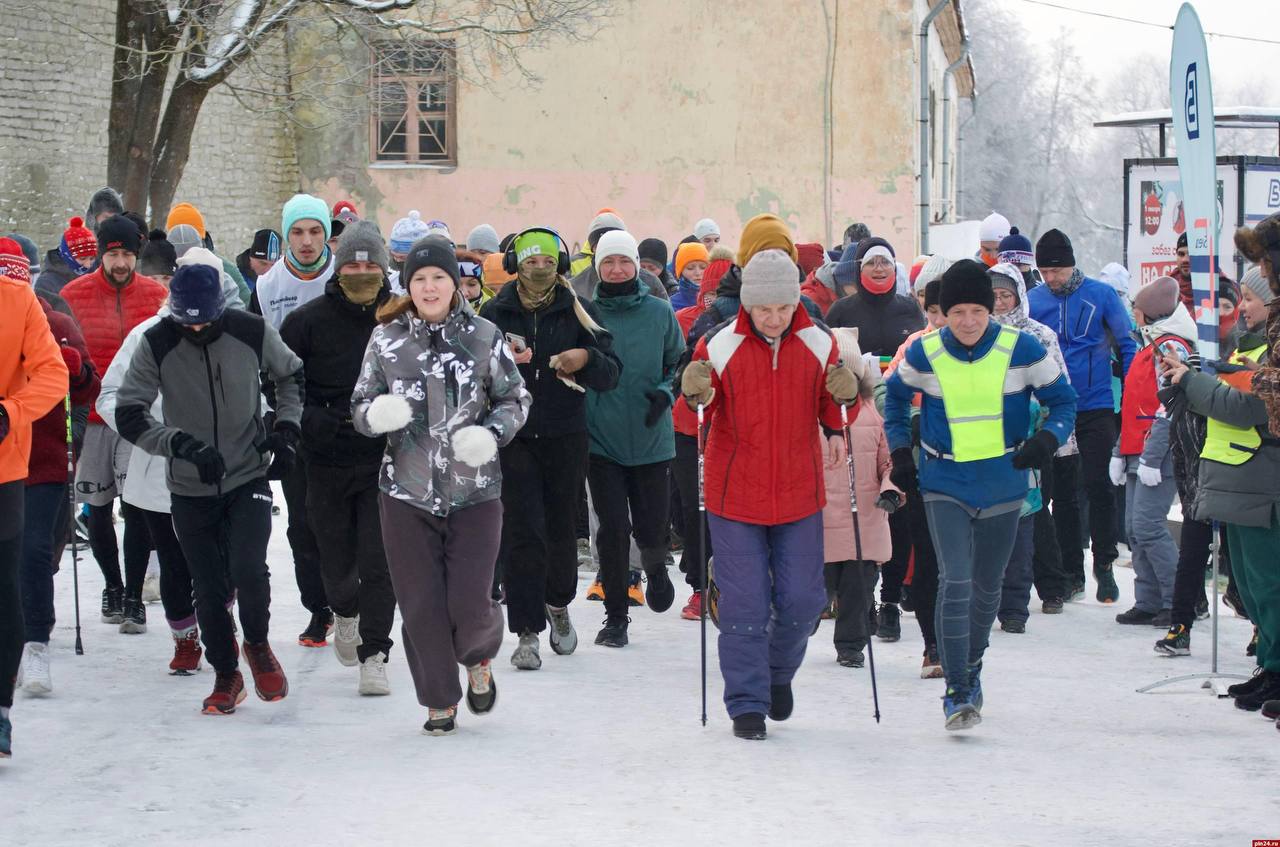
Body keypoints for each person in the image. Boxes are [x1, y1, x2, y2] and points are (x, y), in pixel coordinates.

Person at [885, 260, 1076, 730]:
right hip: (943, 482)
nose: (968, 321)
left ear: (991, 309)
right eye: (957, 312)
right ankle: (957, 689)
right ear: (942, 313)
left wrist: (1047, 440)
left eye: (977, 310)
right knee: (955, 580)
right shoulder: (925, 352)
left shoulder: (1021, 348)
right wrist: (900, 451)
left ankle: (970, 667)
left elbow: (1064, 400)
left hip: (1004, 481)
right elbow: (892, 397)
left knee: (988, 587)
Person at [680, 247, 861, 740]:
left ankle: (777, 674)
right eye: (764, 309)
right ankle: (746, 704)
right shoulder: (719, 347)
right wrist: (693, 394)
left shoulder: (819, 344)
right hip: (734, 495)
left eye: (783, 308)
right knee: (746, 605)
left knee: (805, 601)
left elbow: (837, 416)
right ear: (748, 305)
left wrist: (847, 396)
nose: (775, 318)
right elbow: (688, 422)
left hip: (799, 493)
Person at [351, 234, 528, 735]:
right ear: (408, 286)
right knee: (421, 604)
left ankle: (477, 658)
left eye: (440, 278)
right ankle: (438, 699)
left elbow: (515, 399)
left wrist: (490, 434)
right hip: (406, 493)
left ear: (456, 284)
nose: (430, 287)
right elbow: (360, 405)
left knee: (470, 604)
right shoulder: (386, 339)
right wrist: (375, 416)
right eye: (420, 279)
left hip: (475, 491)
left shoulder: (484, 335)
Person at [115, 263, 302, 715]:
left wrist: (286, 426)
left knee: (249, 570)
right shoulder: (157, 341)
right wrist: (175, 443)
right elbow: (129, 412)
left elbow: (291, 376)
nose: (196, 326)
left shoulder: (249, 330)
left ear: (221, 308)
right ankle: (225, 673)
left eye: (205, 318)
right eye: (187, 319)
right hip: (189, 482)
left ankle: (256, 645)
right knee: (208, 585)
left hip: (247, 472)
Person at [95, 254, 244, 672]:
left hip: (221, 474)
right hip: (160, 476)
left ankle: (219, 621)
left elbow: (262, 395)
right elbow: (111, 397)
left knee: (221, 560)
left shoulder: (237, 337)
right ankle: (185, 639)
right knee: (175, 565)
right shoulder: (147, 336)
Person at [479, 229, 619, 667]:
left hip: (565, 435)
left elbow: (611, 372)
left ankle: (557, 604)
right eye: (529, 263)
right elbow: (470, 372)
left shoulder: (580, 309)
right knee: (523, 530)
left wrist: (586, 359)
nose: (538, 271)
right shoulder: (494, 311)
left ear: (558, 264)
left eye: (546, 263)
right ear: (515, 266)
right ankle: (526, 632)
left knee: (561, 529)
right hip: (514, 436)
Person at [1158, 216, 1280, 716]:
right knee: (1253, 584)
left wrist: (1200, 382)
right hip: (1244, 473)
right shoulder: (1259, 333)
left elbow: (1259, 403)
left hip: (1262, 469)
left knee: (1267, 584)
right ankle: (1271, 669)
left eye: (1264, 267)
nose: (1261, 278)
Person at [281, 221, 399, 694]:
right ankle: (343, 612)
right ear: (338, 266)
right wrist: (311, 418)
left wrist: (398, 414)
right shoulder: (306, 322)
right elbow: (281, 383)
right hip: (324, 460)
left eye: (371, 264)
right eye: (353, 263)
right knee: (334, 557)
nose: (362, 271)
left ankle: (376, 652)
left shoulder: (400, 320)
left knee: (379, 558)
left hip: (382, 460)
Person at [59, 215, 167, 631]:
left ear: (136, 254)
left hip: (137, 414)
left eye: (126, 254)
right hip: (90, 414)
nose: (120, 262)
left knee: (137, 506)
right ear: (101, 254)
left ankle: (135, 593)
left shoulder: (155, 294)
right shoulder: (73, 294)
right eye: (112, 254)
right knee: (97, 505)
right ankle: (113, 585)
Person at [1156, 267, 1267, 656]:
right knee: (1194, 550)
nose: (1223, 312)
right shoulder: (1206, 345)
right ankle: (1180, 622)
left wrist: (1194, 381)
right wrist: (1180, 380)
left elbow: (1237, 404)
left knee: (1247, 570)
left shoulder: (1251, 347)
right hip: (1203, 461)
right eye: (1213, 306)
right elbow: (1179, 401)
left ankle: (1260, 635)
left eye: (1231, 303)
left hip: (1242, 469)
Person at [584, 231, 684, 647]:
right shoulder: (585, 313)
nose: (617, 269)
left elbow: (679, 361)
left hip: (650, 433)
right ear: (598, 267)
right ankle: (616, 616)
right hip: (600, 436)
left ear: (636, 266)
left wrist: (666, 393)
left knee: (651, 523)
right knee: (611, 527)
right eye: (609, 262)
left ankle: (657, 567)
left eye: (624, 261)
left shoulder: (661, 312)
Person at [1027, 229, 1135, 604]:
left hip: (1096, 404)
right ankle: (1071, 568)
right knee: (1060, 491)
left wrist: (1133, 391)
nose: (1052, 278)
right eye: (1045, 271)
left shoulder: (1101, 295)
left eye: (1057, 269)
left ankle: (1103, 564)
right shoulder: (1034, 299)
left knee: (1097, 482)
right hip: (1053, 408)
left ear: (1071, 264)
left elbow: (1127, 342)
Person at [5, 244, 95, 698]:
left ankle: (35, 643)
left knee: (35, 552)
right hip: (5, 460)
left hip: (42, 460)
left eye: (17, 278)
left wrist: (76, 371)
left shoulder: (56, 324)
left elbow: (87, 388)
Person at [251, 193, 335, 645]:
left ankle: (349, 600)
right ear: (285, 236)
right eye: (298, 233)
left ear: (327, 235)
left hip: (342, 413)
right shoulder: (266, 285)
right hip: (292, 413)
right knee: (302, 520)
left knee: (341, 515)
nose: (306, 242)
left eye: (315, 232)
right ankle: (318, 608)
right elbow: (254, 351)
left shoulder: (346, 276)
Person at [0, 263, 70, 757]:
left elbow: (53, 372)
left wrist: (10, 412)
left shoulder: (16, 299)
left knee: (5, 593)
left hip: (3, 470)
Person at [1107, 277, 1197, 629]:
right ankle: (1148, 600)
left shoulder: (1169, 349)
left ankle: (1178, 601)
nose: (1132, 317)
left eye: (1136, 311)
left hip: (1157, 454)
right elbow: (1132, 406)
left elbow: (1171, 408)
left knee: (1147, 526)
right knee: (1134, 528)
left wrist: (1151, 455)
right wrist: (1120, 451)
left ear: (1146, 314)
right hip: (1135, 449)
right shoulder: (1149, 346)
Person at [988, 263, 1075, 614]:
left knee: (1037, 514)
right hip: (990, 437)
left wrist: (1060, 439)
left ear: (1019, 297)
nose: (999, 302)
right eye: (992, 296)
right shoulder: (977, 335)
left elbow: (1060, 387)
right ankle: (1001, 593)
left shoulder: (1039, 335)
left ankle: (1052, 586)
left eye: (1006, 295)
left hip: (1036, 437)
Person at [822, 327, 899, 667]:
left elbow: (889, 462)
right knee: (815, 589)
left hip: (864, 519)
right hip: (820, 521)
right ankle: (801, 623)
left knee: (857, 586)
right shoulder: (810, 416)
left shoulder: (873, 414)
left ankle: (851, 645)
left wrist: (892, 490)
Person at [826, 238, 925, 357]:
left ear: (894, 268)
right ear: (859, 269)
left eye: (885, 262)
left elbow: (921, 355)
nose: (878, 269)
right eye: (870, 262)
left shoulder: (911, 308)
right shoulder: (840, 311)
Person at [164, 203, 251, 306]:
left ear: (201, 239)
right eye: (178, 242)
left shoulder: (224, 268)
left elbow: (247, 304)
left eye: (191, 240)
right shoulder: (162, 270)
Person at [35, 217, 96, 299]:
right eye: (82, 258)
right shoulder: (46, 285)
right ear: (68, 256)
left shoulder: (95, 279)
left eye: (92, 258)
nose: (88, 265)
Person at [387, 210, 431, 287]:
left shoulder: (433, 285)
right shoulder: (391, 282)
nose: (398, 261)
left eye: (403, 258)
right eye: (394, 256)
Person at [670, 242, 709, 311]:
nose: (698, 273)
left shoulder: (718, 300)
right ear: (681, 272)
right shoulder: (672, 304)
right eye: (690, 268)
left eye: (703, 267)